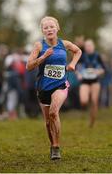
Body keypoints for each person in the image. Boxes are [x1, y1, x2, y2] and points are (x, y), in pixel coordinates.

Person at [26, 16, 82, 160]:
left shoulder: (65, 44)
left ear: (57, 28)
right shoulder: (39, 46)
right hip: (43, 87)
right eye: (46, 27)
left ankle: (56, 147)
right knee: (47, 122)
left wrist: (73, 64)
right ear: (43, 31)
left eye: (52, 27)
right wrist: (43, 57)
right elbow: (29, 66)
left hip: (60, 85)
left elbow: (78, 51)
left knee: (54, 112)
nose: (49, 29)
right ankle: (52, 145)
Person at [76, 39, 105, 128]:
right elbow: (76, 66)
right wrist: (78, 74)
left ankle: (92, 121)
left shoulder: (97, 56)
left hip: (95, 81)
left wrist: (98, 72)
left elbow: (103, 69)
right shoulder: (82, 56)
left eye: (90, 45)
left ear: (93, 46)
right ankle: (86, 104)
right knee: (83, 101)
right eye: (87, 46)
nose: (88, 47)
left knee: (94, 101)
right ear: (85, 47)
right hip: (84, 81)